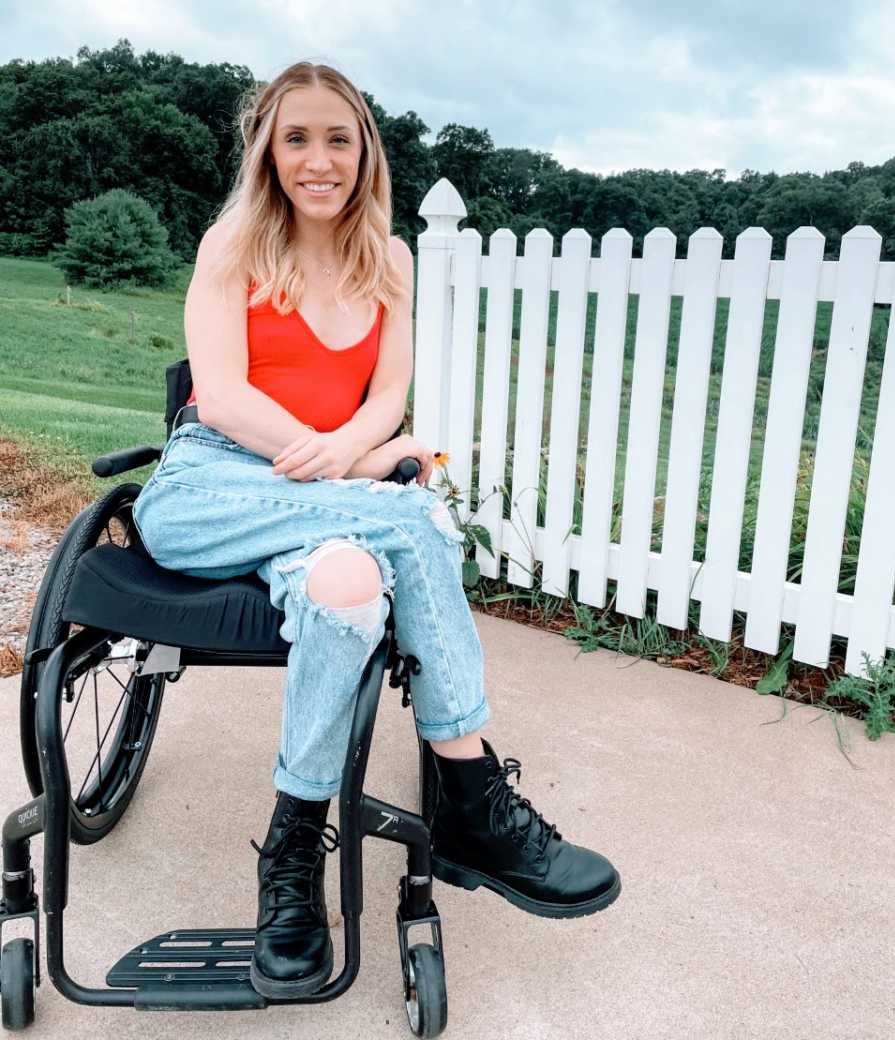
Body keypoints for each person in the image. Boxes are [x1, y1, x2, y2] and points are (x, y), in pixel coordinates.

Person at [131, 60, 621, 1000]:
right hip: (214, 488)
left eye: (338, 138)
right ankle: (473, 798)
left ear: (366, 150)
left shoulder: (388, 258)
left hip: (332, 507)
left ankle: (290, 859)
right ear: (267, 152)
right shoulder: (232, 243)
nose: (319, 160)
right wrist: (356, 465)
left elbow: (386, 394)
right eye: (296, 138)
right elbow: (224, 398)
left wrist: (361, 451)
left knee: (350, 588)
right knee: (417, 518)